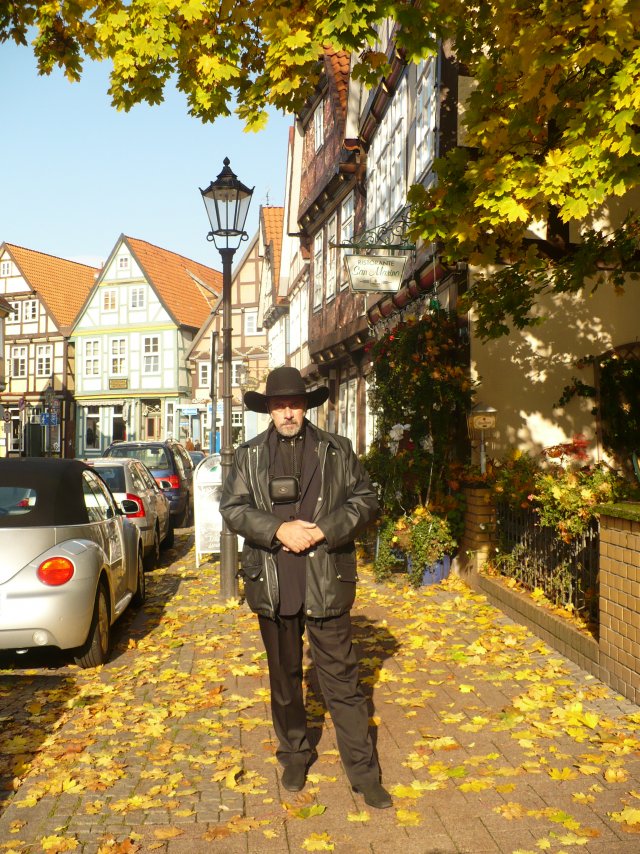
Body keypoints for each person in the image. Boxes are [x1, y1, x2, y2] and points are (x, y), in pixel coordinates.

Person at [219, 366, 392, 809]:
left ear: (306, 406)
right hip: (274, 582)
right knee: (284, 680)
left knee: (344, 682)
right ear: (269, 411)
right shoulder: (249, 455)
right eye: (279, 405)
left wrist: (321, 531)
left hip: (326, 581)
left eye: (295, 404)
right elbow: (233, 508)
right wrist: (278, 530)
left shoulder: (338, 449)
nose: (288, 412)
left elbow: (366, 501)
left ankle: (363, 772)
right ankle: (294, 753)